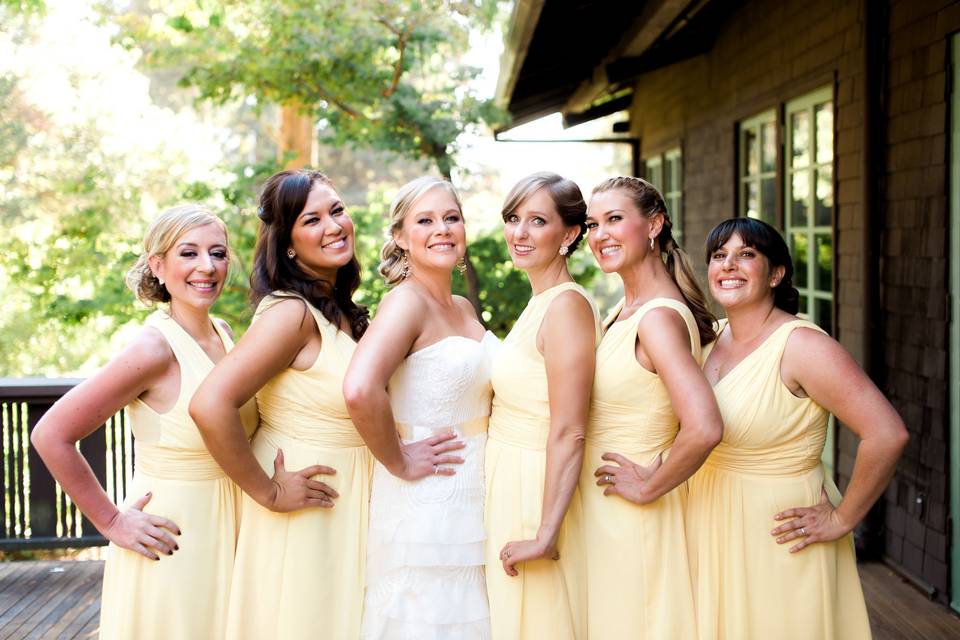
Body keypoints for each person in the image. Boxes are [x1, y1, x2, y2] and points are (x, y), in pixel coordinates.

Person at [30, 205, 258, 639]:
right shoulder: (153, 349)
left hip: (235, 528)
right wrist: (112, 522)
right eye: (188, 254)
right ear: (158, 265)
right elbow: (51, 434)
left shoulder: (225, 333)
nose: (207, 267)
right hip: (174, 537)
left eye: (218, 253)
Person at [687, 217, 907, 639]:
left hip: (778, 534)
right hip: (706, 522)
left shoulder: (802, 346)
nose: (729, 265)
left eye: (746, 254)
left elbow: (887, 433)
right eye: (719, 256)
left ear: (776, 273)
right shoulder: (708, 339)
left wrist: (845, 518)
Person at [189, 170, 371, 639]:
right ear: (288, 243)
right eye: (312, 219)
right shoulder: (291, 313)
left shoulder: (340, 308)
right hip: (306, 514)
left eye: (337, 211)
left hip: (350, 508)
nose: (333, 226)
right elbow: (210, 404)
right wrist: (267, 492)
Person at [343, 176, 496, 639]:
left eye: (451, 218)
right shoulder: (405, 303)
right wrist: (399, 459)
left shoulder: (464, 308)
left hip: (477, 490)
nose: (442, 229)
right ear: (400, 237)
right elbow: (359, 388)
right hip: (429, 501)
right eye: (425, 221)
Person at [583, 176, 724, 637]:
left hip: (636, 515)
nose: (600, 234)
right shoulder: (625, 310)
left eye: (614, 219)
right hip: (606, 512)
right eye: (591, 224)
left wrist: (649, 487)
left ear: (654, 224)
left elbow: (703, 426)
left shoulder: (658, 318)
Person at [484, 172, 598, 639]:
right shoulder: (541, 302)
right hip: (509, 480)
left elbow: (570, 428)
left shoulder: (567, 307)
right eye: (514, 219)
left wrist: (546, 532)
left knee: (539, 622)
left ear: (569, 234)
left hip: (535, 490)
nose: (520, 233)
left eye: (537, 221)